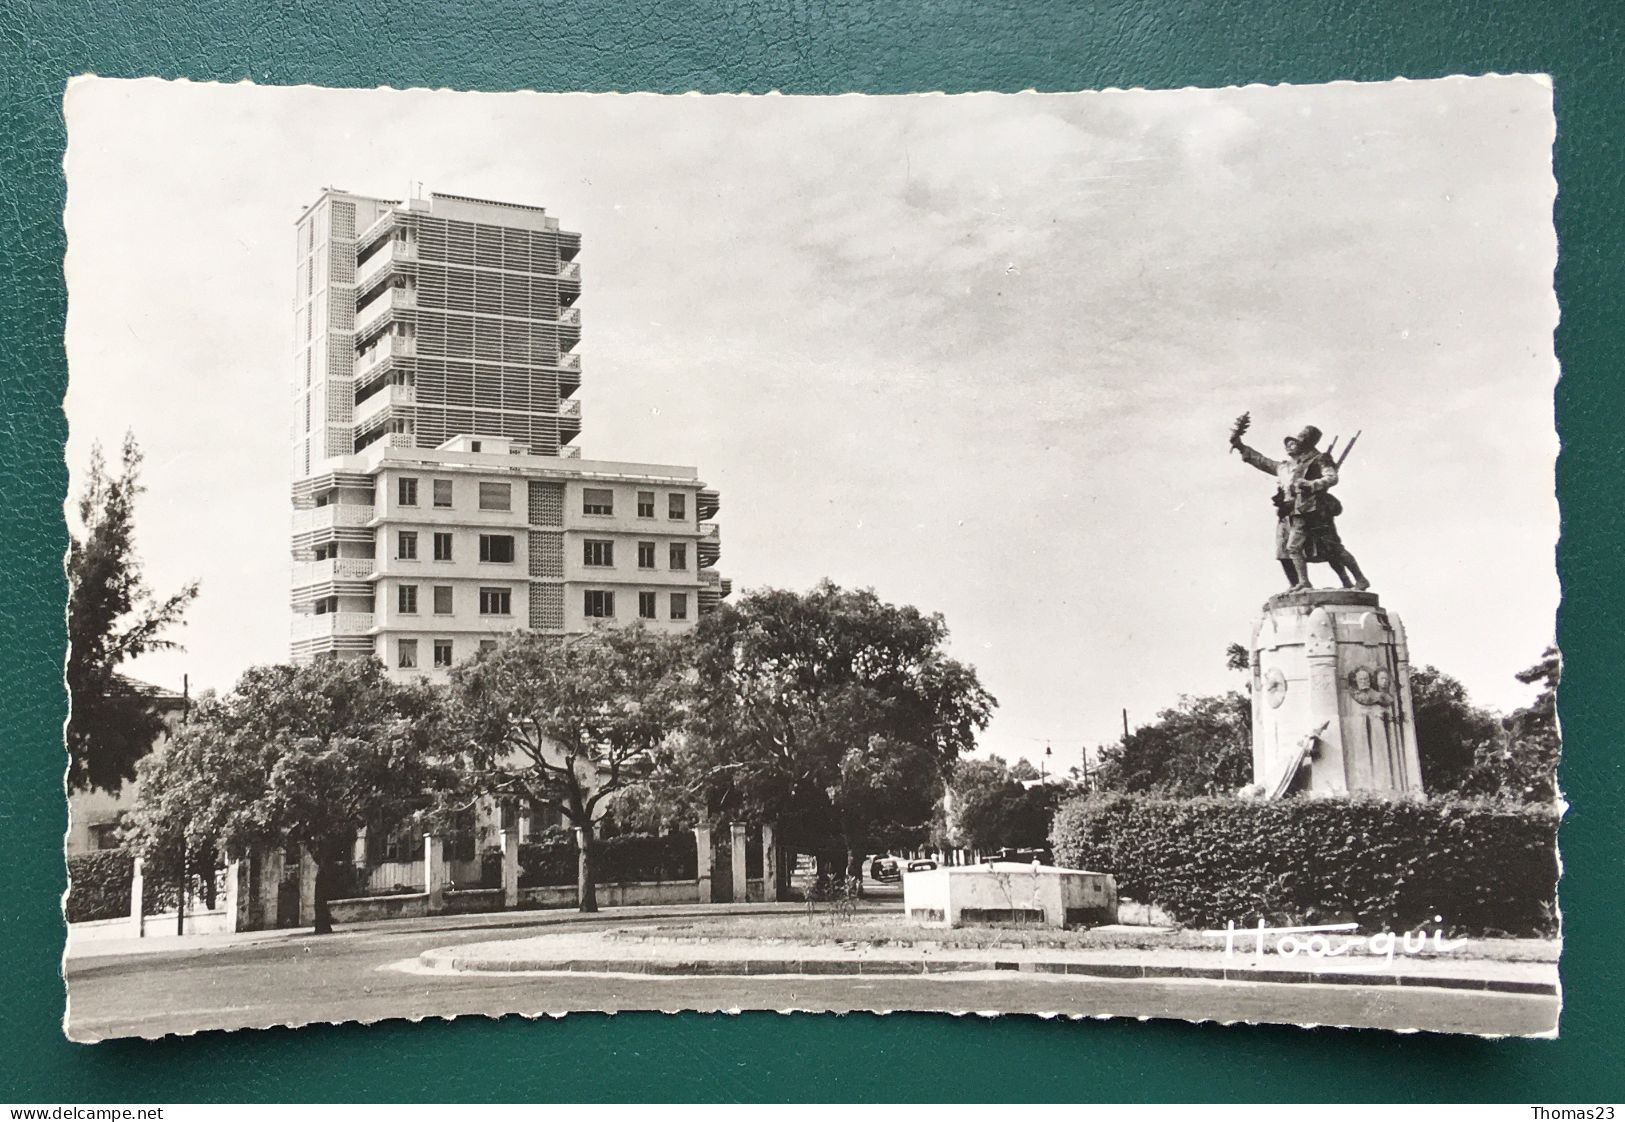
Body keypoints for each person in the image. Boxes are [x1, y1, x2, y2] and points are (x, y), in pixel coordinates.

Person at [1231, 423, 1370, 591]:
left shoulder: (1320, 459)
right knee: (1290, 548)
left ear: (1306, 443)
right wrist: (1240, 446)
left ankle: (1360, 579)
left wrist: (1313, 484)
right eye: (1289, 443)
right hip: (1294, 512)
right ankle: (1302, 582)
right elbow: (1262, 461)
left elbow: (1332, 477)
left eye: (1295, 442)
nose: (1289, 445)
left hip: (1316, 511)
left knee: (1333, 548)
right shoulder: (1285, 467)